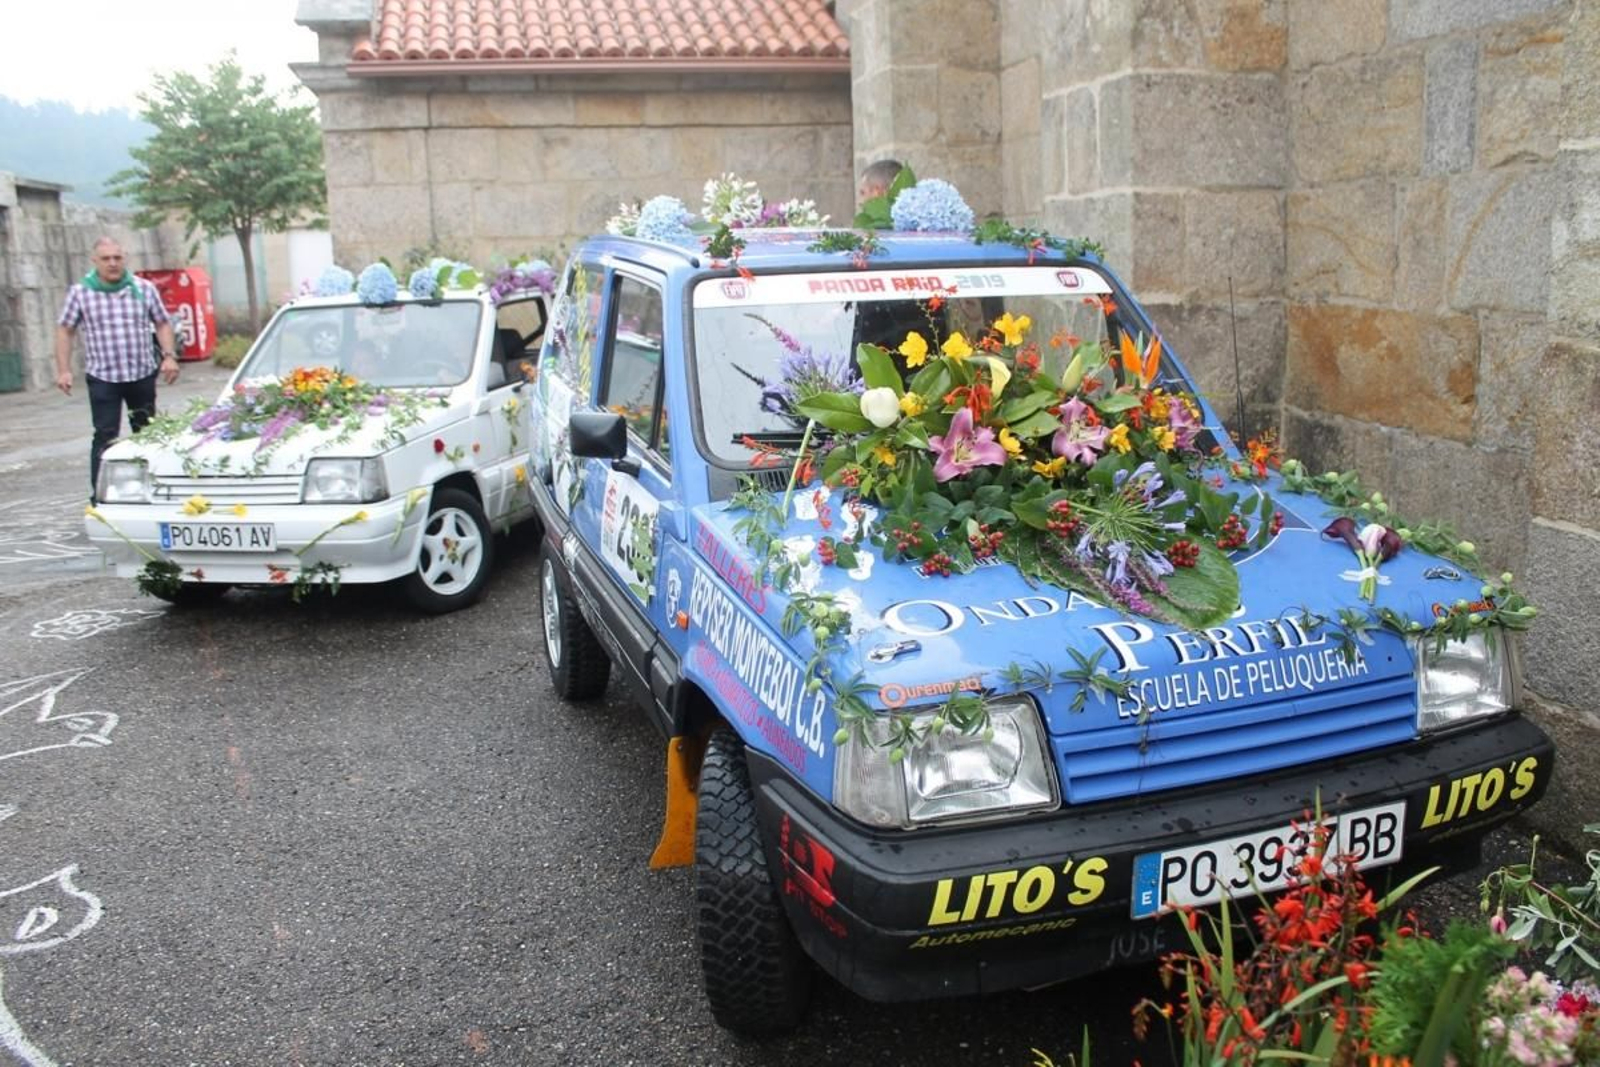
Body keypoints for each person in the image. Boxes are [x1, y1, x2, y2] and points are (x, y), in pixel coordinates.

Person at [55, 237, 178, 499]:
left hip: (141, 373)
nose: (112, 263)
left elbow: (162, 322)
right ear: (95, 261)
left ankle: (152, 490)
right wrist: (64, 369)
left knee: (147, 433)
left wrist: (169, 356)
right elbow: (65, 330)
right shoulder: (81, 292)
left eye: (117, 258)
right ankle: (100, 496)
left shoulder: (143, 289)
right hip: (103, 376)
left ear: (124, 259)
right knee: (105, 434)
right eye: (106, 259)